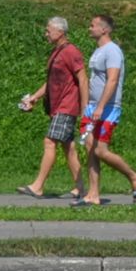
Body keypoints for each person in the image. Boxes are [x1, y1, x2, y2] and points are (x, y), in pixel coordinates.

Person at [78, 13, 136, 206]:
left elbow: (113, 80)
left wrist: (100, 107)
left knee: (100, 151)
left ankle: (134, 177)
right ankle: (93, 195)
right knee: (90, 149)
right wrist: (88, 107)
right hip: (93, 108)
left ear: (104, 29)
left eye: (92, 25)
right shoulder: (98, 51)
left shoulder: (112, 51)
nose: (89, 28)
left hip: (107, 109)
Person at [15, 15, 86, 198]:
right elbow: (52, 81)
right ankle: (80, 187)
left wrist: (85, 107)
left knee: (50, 142)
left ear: (60, 32)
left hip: (66, 106)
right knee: (68, 147)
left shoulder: (71, 52)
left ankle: (38, 186)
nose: (45, 33)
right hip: (58, 106)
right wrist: (34, 98)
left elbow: (83, 79)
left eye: (48, 30)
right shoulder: (56, 52)